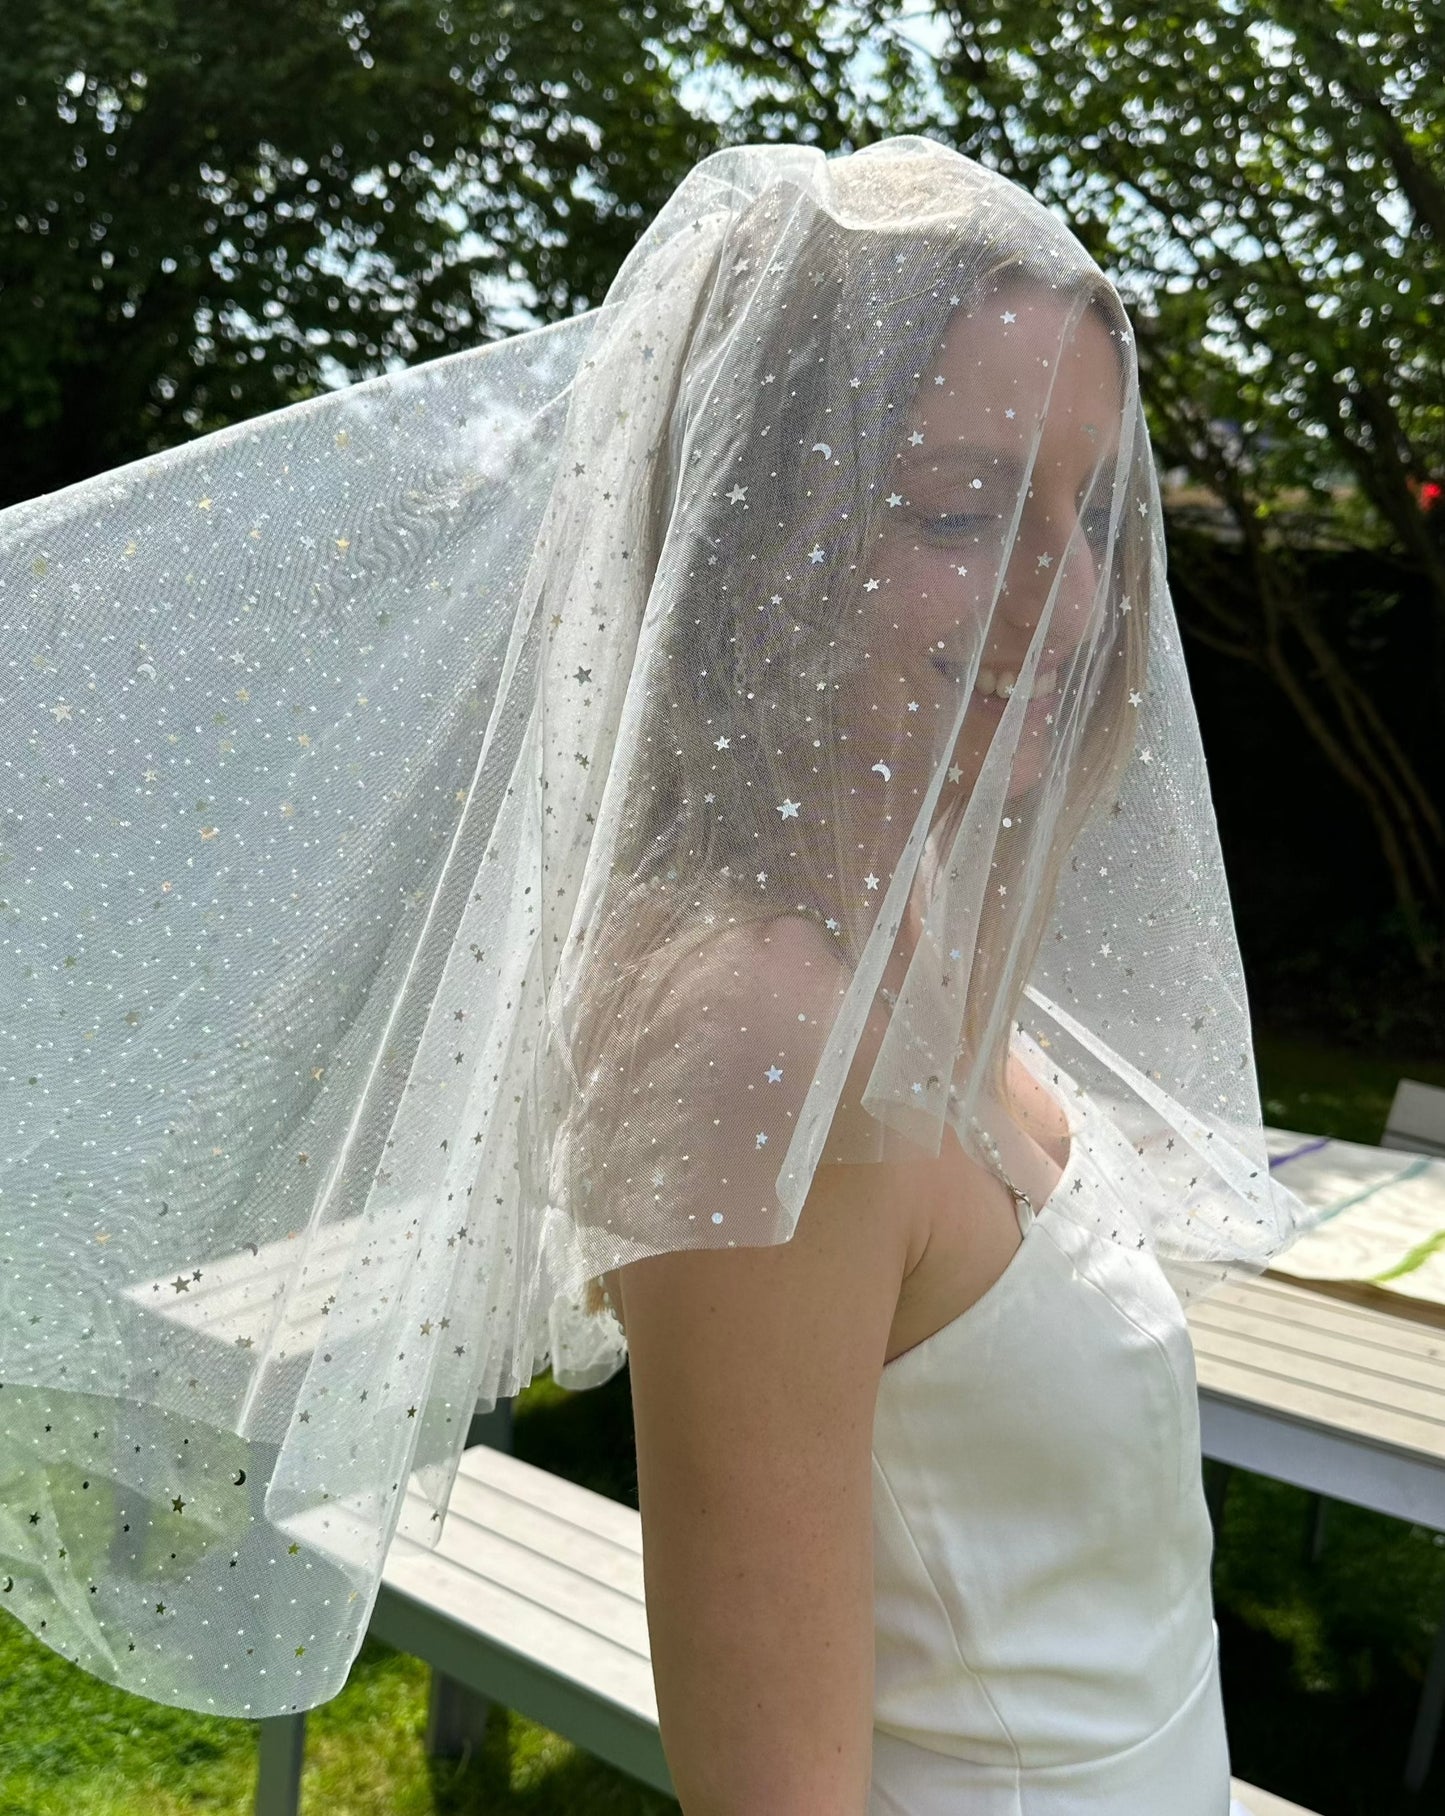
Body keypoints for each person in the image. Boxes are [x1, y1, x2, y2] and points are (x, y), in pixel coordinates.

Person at [0, 135, 1303, 1807]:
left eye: (1096, 513)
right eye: (964, 512)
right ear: (756, 541)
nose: (1063, 603)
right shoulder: (767, 1034)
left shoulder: (903, 936)